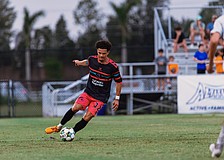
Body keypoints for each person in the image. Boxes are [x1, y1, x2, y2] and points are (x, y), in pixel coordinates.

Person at [45, 40, 122, 136]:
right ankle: (59, 126)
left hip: (101, 97)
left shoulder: (113, 67)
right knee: (76, 107)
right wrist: (79, 62)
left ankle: (72, 132)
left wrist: (117, 98)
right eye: (99, 53)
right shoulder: (92, 59)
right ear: (97, 51)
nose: (101, 55)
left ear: (108, 52)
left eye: (104, 53)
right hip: (88, 93)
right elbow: (87, 62)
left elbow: (119, 81)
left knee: (88, 116)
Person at [207, 15, 224, 158]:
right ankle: (219, 144)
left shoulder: (221, 20)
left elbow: (213, 41)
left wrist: (211, 64)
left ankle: (219, 145)